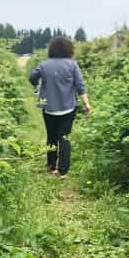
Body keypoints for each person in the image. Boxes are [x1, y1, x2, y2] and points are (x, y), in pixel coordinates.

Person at [29, 36, 91, 177]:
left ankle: (51, 167)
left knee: (51, 137)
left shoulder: (44, 65)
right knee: (64, 138)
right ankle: (63, 172)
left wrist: (38, 86)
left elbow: (32, 77)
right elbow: (80, 86)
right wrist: (86, 104)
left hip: (48, 107)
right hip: (68, 108)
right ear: (69, 49)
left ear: (51, 49)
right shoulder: (72, 65)